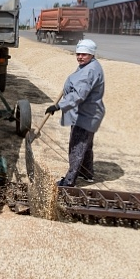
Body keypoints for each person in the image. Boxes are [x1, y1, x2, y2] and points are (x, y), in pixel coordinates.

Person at [45, 39, 105, 187]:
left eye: (84, 54)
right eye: (78, 54)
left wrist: (59, 106)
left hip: (85, 115)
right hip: (89, 113)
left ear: (91, 54)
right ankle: (87, 173)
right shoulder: (89, 65)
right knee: (86, 145)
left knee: (77, 147)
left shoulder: (89, 71)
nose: (80, 57)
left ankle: (69, 181)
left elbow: (78, 95)